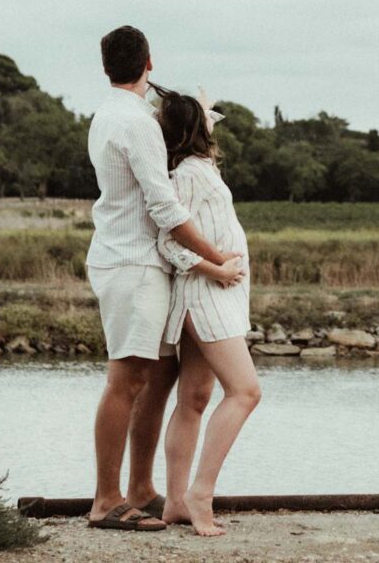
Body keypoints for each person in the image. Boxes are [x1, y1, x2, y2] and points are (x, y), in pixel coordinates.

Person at [85, 27, 246, 533]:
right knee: (126, 379)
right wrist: (216, 257)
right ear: (148, 63)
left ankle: (141, 489)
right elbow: (164, 207)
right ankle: (106, 499)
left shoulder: (108, 114)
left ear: (106, 65)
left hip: (134, 263)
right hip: (133, 264)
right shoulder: (137, 124)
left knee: (158, 378)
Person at [154, 87, 261, 537]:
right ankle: (200, 493)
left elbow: (207, 127)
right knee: (246, 391)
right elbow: (167, 241)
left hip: (219, 294)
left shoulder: (200, 169)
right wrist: (214, 268)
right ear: (198, 129)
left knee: (194, 399)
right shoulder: (186, 177)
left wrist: (200, 111)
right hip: (206, 294)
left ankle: (175, 502)